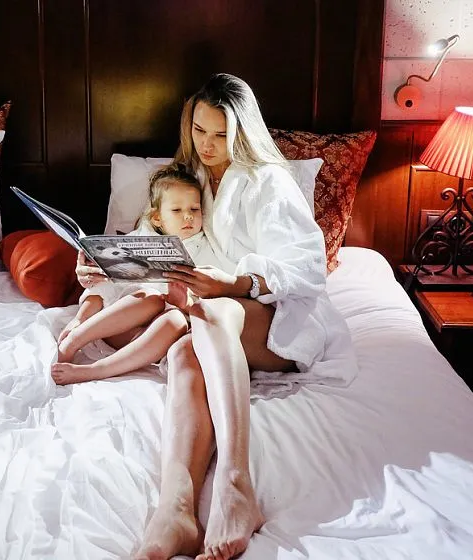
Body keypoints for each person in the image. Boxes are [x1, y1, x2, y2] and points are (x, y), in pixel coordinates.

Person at [73, 73, 356, 560]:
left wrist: (236, 284)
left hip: (277, 316)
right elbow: (160, 243)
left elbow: (308, 270)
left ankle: (236, 483)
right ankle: (176, 510)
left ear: (243, 132)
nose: (207, 144)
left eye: (221, 134)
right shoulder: (193, 177)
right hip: (211, 314)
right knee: (184, 351)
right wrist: (106, 265)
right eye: (199, 130)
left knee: (211, 311)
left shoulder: (269, 180)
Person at [51, 164, 225, 386]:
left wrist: (183, 304)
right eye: (177, 210)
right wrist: (79, 319)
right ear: (157, 218)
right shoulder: (135, 240)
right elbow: (101, 288)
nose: (188, 217)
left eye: (194, 209)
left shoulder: (207, 251)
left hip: (153, 340)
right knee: (150, 298)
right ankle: (75, 340)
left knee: (175, 320)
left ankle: (96, 370)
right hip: (116, 327)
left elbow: (211, 302)